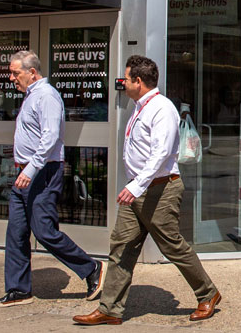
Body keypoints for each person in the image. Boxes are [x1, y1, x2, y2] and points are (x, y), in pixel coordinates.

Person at [73, 55, 221, 325]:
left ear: (138, 81)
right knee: (122, 246)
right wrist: (134, 185)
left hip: (160, 190)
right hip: (138, 190)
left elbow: (160, 153)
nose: (123, 82)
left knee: (172, 246)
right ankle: (110, 309)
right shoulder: (139, 107)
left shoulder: (162, 108)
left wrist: (137, 185)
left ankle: (208, 294)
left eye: (126, 78)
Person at [0, 50, 104, 307]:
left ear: (32, 72)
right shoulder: (31, 96)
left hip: (41, 172)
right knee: (16, 233)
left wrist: (31, 170)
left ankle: (91, 268)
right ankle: (18, 289)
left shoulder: (47, 96)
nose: (11, 78)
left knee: (44, 231)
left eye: (15, 73)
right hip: (24, 173)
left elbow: (50, 138)